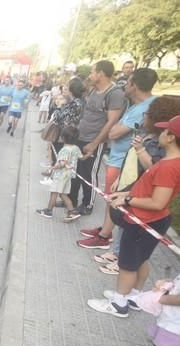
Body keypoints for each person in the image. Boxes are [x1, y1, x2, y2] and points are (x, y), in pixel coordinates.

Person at [87, 115, 180, 321]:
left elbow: (157, 202)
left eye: (165, 131)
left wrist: (127, 199)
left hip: (143, 221)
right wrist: (125, 194)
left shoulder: (169, 166)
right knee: (140, 260)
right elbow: (150, 183)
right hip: (149, 220)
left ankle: (119, 303)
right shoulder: (170, 161)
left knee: (127, 264)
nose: (161, 134)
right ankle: (134, 295)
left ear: (171, 137)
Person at [77, 68, 158, 250]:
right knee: (110, 198)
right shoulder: (136, 105)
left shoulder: (145, 108)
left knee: (114, 199)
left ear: (134, 86)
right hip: (118, 158)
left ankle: (104, 237)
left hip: (125, 161)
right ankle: (105, 229)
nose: (124, 86)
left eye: (128, 82)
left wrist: (118, 127)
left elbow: (114, 132)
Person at [69, 60, 126, 215]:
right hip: (81, 136)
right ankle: (71, 199)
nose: (90, 75)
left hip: (94, 140)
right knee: (75, 170)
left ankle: (87, 204)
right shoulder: (94, 90)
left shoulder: (114, 93)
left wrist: (94, 144)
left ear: (101, 73)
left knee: (88, 173)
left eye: (93, 72)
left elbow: (111, 122)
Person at [35, 126, 82, 222]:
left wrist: (53, 167)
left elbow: (62, 163)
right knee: (63, 194)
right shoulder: (76, 148)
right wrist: (89, 154)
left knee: (54, 193)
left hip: (60, 175)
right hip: (68, 175)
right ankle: (72, 212)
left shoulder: (65, 150)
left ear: (63, 138)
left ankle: (48, 211)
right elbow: (81, 157)